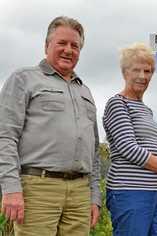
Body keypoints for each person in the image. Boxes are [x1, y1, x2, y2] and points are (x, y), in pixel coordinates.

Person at [0, 16, 101, 235]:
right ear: (47, 45)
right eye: (62, 43)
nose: (68, 50)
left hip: (80, 193)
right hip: (37, 188)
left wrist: (94, 197)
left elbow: (93, 150)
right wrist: (10, 189)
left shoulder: (85, 92)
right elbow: (5, 136)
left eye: (75, 46)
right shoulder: (23, 79)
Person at [102, 43, 157, 236]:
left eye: (148, 71)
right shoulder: (118, 103)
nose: (142, 76)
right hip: (129, 190)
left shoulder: (147, 111)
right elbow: (129, 148)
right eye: (136, 70)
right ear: (125, 72)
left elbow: (155, 151)